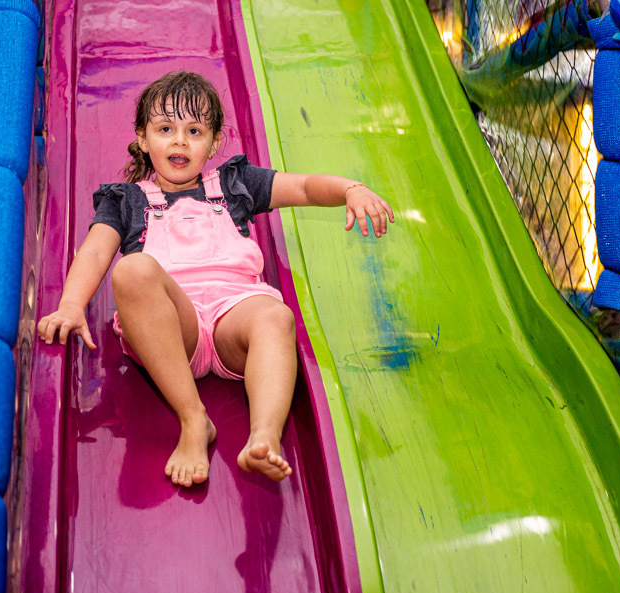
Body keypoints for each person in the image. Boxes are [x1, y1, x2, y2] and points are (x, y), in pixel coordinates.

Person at [37, 71, 393, 487]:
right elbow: (96, 251)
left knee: (275, 316)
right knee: (132, 270)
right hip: (172, 329)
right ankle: (194, 419)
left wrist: (351, 189)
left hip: (233, 316)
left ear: (214, 141)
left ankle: (264, 435)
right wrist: (71, 304)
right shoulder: (127, 200)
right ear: (142, 138)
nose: (180, 141)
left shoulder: (234, 184)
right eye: (165, 129)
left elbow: (305, 188)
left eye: (194, 131)